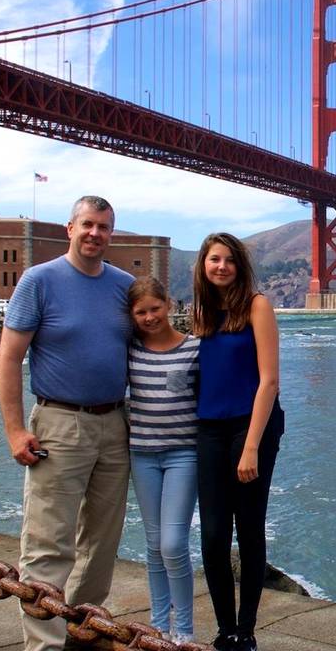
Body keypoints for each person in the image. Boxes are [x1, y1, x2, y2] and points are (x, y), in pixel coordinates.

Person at [0, 195, 134, 651]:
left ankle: (82, 632)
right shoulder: (39, 281)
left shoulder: (124, 286)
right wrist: (16, 430)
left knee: (102, 541)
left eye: (105, 227)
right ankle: (43, 646)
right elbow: (9, 358)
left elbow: (154, 347)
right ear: (68, 228)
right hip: (59, 422)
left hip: (115, 423)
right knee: (48, 544)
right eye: (88, 225)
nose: (96, 234)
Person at [192, 232, 284, 651]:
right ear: (204, 265)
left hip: (253, 428)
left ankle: (246, 631)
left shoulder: (257, 305)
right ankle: (224, 628)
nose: (221, 266)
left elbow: (269, 381)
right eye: (214, 259)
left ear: (239, 265)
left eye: (229, 259)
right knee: (212, 534)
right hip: (209, 429)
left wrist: (250, 446)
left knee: (248, 529)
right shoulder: (203, 313)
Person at [126, 276, 201, 644]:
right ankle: (158, 628)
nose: (149, 317)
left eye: (155, 308)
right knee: (154, 544)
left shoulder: (194, 349)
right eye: (140, 312)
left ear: (169, 305)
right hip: (141, 453)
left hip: (183, 454)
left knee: (173, 543)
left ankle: (184, 631)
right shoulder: (130, 350)